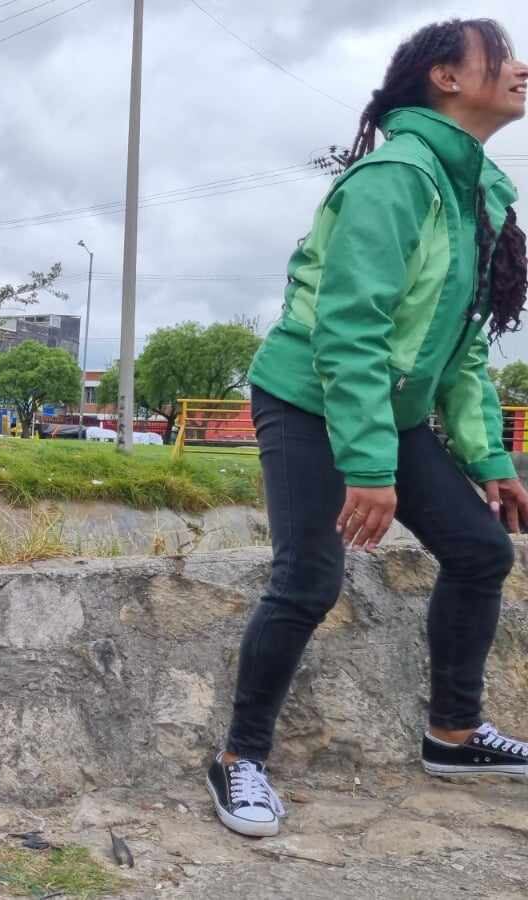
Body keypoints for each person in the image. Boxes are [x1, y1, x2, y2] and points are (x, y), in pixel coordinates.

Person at [209, 18, 528, 839]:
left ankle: (453, 736)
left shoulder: (472, 191)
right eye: (501, 56)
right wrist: (369, 467)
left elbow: (455, 350)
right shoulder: (397, 178)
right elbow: (348, 330)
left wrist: (489, 456)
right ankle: (239, 760)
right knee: (309, 579)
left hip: (381, 408)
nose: (522, 68)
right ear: (445, 80)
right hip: (310, 397)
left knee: (481, 549)